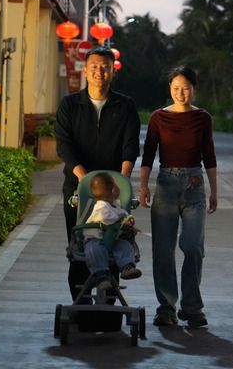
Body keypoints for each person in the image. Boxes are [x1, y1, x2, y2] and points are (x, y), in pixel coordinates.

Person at [55, 46, 141, 301]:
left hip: (113, 191)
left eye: (105, 67)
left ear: (113, 71)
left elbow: (130, 146)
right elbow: (64, 145)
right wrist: (84, 178)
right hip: (78, 189)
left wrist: (122, 181)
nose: (99, 72)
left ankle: (109, 303)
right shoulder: (70, 105)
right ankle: (79, 302)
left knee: (113, 242)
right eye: (94, 66)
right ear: (85, 70)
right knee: (80, 245)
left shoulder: (125, 106)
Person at [139, 66, 218, 328]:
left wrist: (214, 190)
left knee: (193, 246)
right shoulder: (158, 117)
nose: (180, 93)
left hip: (195, 185)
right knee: (163, 250)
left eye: (185, 88)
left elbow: (209, 155)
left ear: (193, 89)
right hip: (166, 185)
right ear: (169, 89)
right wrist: (143, 186)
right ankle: (166, 307)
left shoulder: (203, 118)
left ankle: (192, 308)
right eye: (175, 88)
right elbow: (148, 154)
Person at [83, 172, 141, 288]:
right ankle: (101, 276)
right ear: (114, 190)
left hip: (114, 240)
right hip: (96, 239)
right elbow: (106, 218)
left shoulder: (114, 205)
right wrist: (120, 221)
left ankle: (127, 267)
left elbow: (122, 213)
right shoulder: (100, 206)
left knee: (124, 246)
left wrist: (127, 222)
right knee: (94, 250)